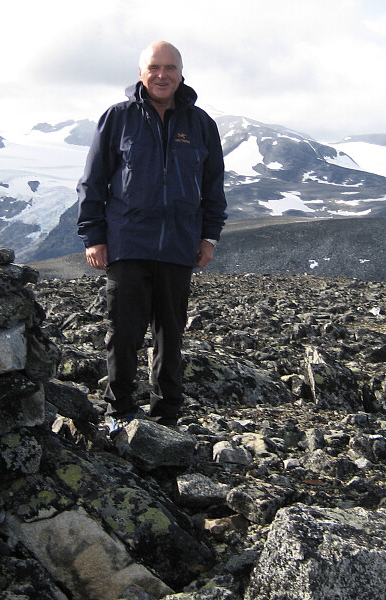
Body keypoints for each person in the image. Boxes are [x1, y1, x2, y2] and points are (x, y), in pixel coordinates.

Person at [76, 40, 227, 433]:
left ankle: (166, 416)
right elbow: (92, 182)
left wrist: (208, 236)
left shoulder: (201, 125)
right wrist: (94, 236)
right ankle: (119, 410)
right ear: (141, 73)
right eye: (154, 67)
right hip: (128, 243)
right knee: (123, 333)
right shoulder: (118, 118)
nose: (162, 75)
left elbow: (213, 187)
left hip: (178, 246)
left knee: (171, 336)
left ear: (181, 73)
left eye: (170, 68)